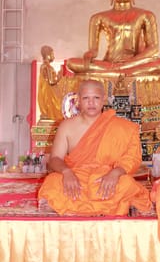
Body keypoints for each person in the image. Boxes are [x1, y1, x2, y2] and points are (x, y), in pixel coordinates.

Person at [38, 79, 152, 216]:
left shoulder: (122, 127)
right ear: (78, 100)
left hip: (107, 178)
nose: (91, 103)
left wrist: (115, 173)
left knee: (126, 183)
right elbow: (55, 158)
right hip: (77, 178)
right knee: (52, 182)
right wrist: (67, 172)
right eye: (86, 98)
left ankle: (72, 208)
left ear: (104, 99)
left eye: (96, 98)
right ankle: (112, 206)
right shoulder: (67, 126)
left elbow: (132, 158)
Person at [38, 45, 64, 121]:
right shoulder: (47, 67)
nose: (53, 57)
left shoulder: (44, 66)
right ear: (48, 55)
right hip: (49, 94)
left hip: (47, 92)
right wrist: (59, 76)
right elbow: (51, 81)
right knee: (58, 105)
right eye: (52, 54)